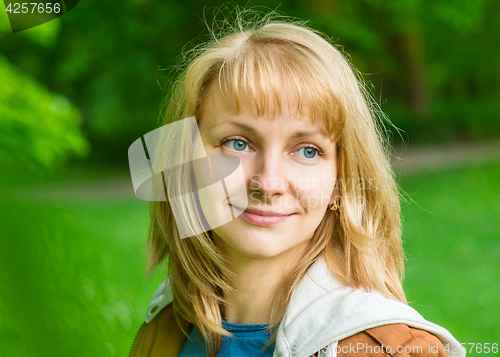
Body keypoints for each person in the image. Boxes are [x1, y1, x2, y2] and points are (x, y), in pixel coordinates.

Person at [128, 8, 465, 357]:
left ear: (341, 181)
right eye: (238, 143)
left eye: (307, 150)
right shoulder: (168, 320)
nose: (268, 182)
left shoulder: (388, 350)